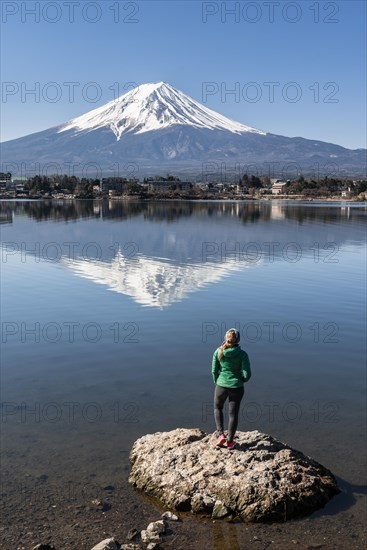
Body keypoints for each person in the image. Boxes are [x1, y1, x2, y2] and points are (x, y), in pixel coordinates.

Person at [212, 328, 251, 449]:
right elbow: (247, 374)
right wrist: (241, 380)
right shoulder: (243, 354)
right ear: (238, 340)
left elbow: (214, 371)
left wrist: (218, 382)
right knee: (233, 414)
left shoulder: (218, 352)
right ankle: (230, 441)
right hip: (237, 387)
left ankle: (220, 435)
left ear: (225, 338)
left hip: (221, 385)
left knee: (218, 408)